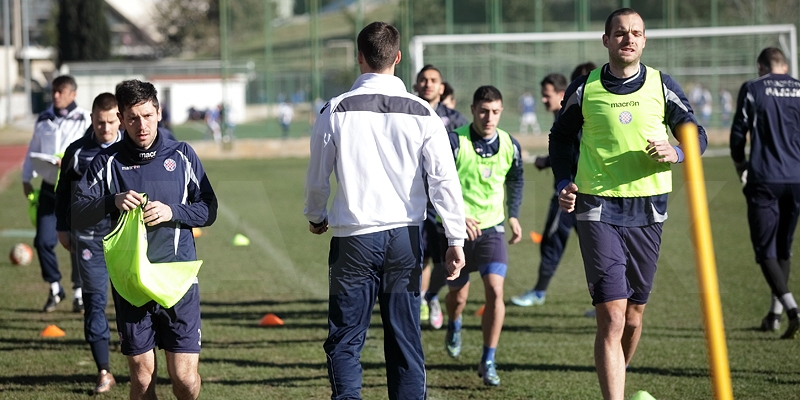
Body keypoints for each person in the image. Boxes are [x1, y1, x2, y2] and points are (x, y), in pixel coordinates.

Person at [304, 21, 467, 400]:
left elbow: (317, 177)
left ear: (358, 57)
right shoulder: (424, 111)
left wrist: (316, 215)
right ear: (397, 58)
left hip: (354, 240)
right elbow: (444, 181)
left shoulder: (335, 109)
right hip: (405, 239)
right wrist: (455, 238)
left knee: (346, 337)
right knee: (405, 338)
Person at [550, 9, 707, 399]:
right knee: (612, 315)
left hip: (649, 209)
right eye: (621, 33)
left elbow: (697, 134)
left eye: (636, 33)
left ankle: (618, 375)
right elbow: (560, 138)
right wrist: (565, 180)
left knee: (634, 318)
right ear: (606, 40)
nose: (629, 39)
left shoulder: (661, 85)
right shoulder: (584, 89)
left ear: (644, 40)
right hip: (597, 207)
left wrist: (677, 152)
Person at [71, 79, 218, 400]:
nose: (142, 125)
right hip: (132, 284)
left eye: (148, 116)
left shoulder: (181, 155)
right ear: (121, 118)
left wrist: (173, 211)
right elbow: (76, 212)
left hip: (177, 281)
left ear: (159, 112)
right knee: (141, 376)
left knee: (184, 378)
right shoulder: (106, 162)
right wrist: (111, 201)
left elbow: (209, 208)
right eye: (133, 118)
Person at [442, 85, 524, 387]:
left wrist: (513, 214)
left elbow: (517, 178)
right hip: (455, 233)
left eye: (496, 112)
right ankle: (454, 322)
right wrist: (457, 216)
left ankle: (488, 359)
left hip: (492, 229)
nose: (489, 118)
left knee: (495, 291)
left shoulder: (509, 145)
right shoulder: (453, 142)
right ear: (474, 109)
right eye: (483, 111)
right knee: (459, 296)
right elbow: (434, 182)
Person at [730, 47, 800, 340]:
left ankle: (792, 310)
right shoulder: (799, 89)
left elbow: (737, 134)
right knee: (783, 246)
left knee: (764, 250)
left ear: (761, 67)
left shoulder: (753, 88)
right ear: (784, 65)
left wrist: (740, 165)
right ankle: (773, 315)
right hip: (796, 179)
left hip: (764, 178)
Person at [55, 92, 123, 394]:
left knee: (131, 303)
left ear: (119, 119)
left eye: (110, 122)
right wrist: (62, 226)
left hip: (127, 240)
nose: (105, 129)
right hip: (90, 239)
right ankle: (104, 371)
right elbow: (62, 191)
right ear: (91, 119)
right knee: (95, 302)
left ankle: (140, 359)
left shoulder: (132, 148)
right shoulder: (77, 151)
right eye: (99, 123)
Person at [21, 75, 91, 313]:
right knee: (42, 241)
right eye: (54, 92)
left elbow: (90, 151)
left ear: (73, 94)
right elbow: (33, 149)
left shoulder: (85, 119)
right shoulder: (44, 118)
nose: (56, 96)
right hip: (50, 188)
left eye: (61, 92)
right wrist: (25, 178)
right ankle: (54, 288)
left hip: (76, 188)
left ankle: (78, 293)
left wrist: (71, 162)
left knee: (77, 242)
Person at [413, 64, 469, 330]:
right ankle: (421, 301)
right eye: (423, 80)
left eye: (433, 80)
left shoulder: (456, 121)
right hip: (413, 198)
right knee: (418, 254)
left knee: (442, 255)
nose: (428, 84)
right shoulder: (408, 114)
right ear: (416, 85)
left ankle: (431, 296)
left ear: (441, 87)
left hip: (442, 200)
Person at [510, 72, 572, 307]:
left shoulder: (568, 117)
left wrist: (545, 162)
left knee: (552, 242)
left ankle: (538, 292)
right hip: (575, 192)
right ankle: (607, 302)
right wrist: (547, 160)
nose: (544, 101)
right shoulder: (563, 116)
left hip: (570, 194)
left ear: (561, 94)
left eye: (547, 96)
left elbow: (574, 154)